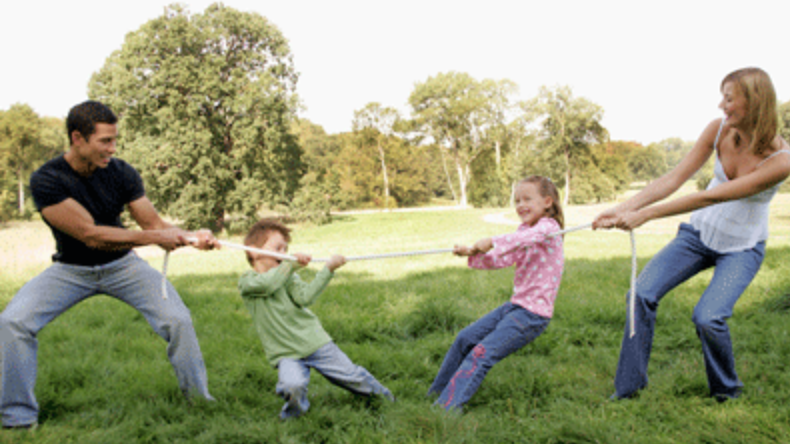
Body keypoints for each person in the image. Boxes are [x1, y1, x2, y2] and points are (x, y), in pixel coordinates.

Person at [0, 101, 220, 429]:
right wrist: (158, 235)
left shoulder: (121, 172)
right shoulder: (47, 179)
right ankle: (17, 419)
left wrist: (191, 237)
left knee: (178, 320)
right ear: (78, 138)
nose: (112, 148)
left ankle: (201, 401)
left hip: (122, 267)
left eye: (115, 140)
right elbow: (91, 235)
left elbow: (153, 224)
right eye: (105, 141)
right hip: (71, 270)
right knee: (13, 322)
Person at [593, 67, 790, 401]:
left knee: (709, 317)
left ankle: (727, 392)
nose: (721, 106)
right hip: (697, 236)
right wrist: (624, 208)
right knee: (640, 294)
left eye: (728, 98)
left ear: (754, 101)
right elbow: (674, 178)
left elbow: (711, 195)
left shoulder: (781, 160)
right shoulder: (718, 131)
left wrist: (645, 215)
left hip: (741, 248)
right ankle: (627, 389)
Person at [428, 176, 565, 411]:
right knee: (465, 339)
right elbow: (504, 258)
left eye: (527, 199)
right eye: (517, 200)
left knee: (482, 353)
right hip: (516, 306)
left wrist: (491, 240)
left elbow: (524, 238)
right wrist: (472, 254)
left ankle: (445, 410)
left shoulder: (548, 229)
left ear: (547, 202)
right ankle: (436, 394)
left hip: (533, 315)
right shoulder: (525, 230)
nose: (520, 205)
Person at [237, 218, 394, 420]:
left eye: (286, 249)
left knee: (352, 376)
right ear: (253, 252)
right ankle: (293, 417)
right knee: (293, 385)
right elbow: (269, 284)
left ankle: (386, 400)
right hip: (286, 352)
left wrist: (328, 269)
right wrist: (290, 265)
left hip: (314, 342)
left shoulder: (288, 276)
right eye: (278, 248)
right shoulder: (247, 282)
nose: (284, 253)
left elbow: (305, 297)